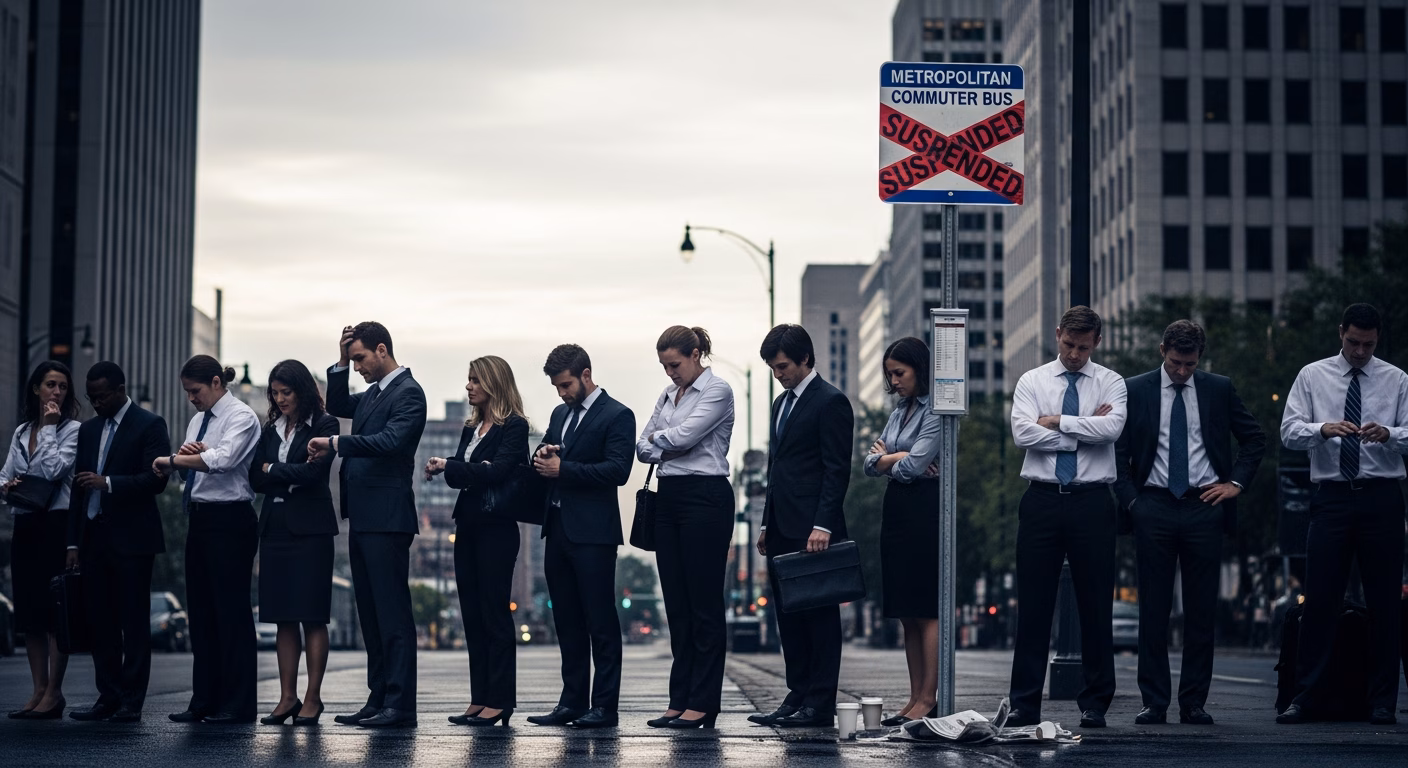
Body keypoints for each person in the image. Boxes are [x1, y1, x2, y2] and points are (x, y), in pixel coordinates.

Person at [1114, 320, 1265, 726]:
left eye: (1191, 364)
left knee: (1201, 611)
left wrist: (1235, 484)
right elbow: (1117, 450)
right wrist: (1132, 502)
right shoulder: (1134, 389)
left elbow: (1255, 439)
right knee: (1154, 610)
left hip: (1204, 506)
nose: (1183, 372)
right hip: (1153, 506)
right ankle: (1155, 703)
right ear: (1163, 350)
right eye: (1177, 362)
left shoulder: (1219, 388)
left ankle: (1194, 702)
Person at [1277, 303, 1408, 726]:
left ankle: (1383, 700)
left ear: (1377, 340)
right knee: (1320, 599)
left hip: (1381, 497)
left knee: (1386, 600)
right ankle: (1307, 696)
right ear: (1341, 333)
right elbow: (1289, 431)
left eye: (1368, 345)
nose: (1359, 351)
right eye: (1353, 342)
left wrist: (1390, 433)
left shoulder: (1397, 379)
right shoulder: (1312, 375)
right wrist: (1324, 429)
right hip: (1331, 496)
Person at [1005, 306, 1126, 729]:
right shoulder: (1032, 381)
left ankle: (1094, 703)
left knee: (1096, 604)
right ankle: (1024, 703)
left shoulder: (1111, 381)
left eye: (1084, 346)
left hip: (1093, 502)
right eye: (1069, 344)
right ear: (1058, 335)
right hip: (1041, 500)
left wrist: (1055, 422)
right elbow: (1023, 434)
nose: (1075, 354)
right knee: (1034, 606)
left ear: (1097, 342)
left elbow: (1112, 430)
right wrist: (1082, 429)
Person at [310, 322, 428, 729]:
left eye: (361, 358)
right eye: (353, 360)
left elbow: (391, 442)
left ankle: (400, 706)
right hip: (363, 516)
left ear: (382, 350)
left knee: (392, 615)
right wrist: (340, 359)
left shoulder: (409, 392)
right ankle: (378, 699)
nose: (358, 367)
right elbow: (338, 401)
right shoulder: (374, 394)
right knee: (372, 616)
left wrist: (337, 443)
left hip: (388, 517)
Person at [748, 324, 853, 729]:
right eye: (774, 369)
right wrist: (763, 522)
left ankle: (820, 703)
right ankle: (798, 694)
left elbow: (835, 469)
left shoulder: (831, 402)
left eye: (784, 366)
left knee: (819, 617)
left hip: (813, 530)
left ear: (806, 358)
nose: (779, 374)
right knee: (788, 615)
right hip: (779, 526)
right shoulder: (780, 404)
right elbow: (777, 469)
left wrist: (823, 524)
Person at [526, 344, 635, 729]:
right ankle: (572, 702)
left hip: (593, 534)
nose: (561, 393)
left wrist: (564, 468)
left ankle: (604, 707)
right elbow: (550, 457)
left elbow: (618, 471)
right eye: (556, 387)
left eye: (567, 384)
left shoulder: (618, 415)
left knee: (601, 622)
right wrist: (542, 456)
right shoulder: (560, 413)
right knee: (567, 622)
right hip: (556, 529)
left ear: (586, 375)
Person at [635, 326, 735, 729]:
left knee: (704, 603)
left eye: (674, 364)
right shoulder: (667, 394)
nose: (670, 373)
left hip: (706, 497)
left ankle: (704, 701)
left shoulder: (718, 390)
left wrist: (666, 440)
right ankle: (680, 698)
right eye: (664, 366)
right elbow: (644, 447)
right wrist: (667, 440)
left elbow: (686, 437)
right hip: (669, 496)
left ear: (696, 354)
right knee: (676, 603)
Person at [425, 355, 530, 728]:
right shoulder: (472, 428)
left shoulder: (513, 427)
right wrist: (461, 470)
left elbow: (500, 471)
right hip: (467, 525)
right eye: (468, 380)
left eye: (474, 380)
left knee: (494, 613)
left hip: (497, 528)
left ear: (493, 384)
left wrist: (455, 468)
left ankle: (500, 701)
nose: (468, 386)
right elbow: (460, 475)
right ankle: (480, 697)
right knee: (471, 614)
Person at [65, 362, 171, 723]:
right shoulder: (89, 430)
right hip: (93, 539)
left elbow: (155, 481)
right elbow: (78, 489)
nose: (96, 402)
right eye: (91, 396)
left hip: (133, 540)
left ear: (120, 388)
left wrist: (107, 483)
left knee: (134, 622)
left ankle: (131, 701)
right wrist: (72, 544)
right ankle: (107, 696)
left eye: (102, 395)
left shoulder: (150, 424)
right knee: (100, 621)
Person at [158, 356, 262, 725]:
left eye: (195, 391)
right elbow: (193, 472)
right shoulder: (197, 420)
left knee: (230, 612)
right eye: (187, 392)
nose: (191, 398)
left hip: (230, 519)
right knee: (201, 613)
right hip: (200, 518)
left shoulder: (242, 416)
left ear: (216, 382)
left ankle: (237, 704)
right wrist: (189, 460)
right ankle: (204, 700)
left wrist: (180, 458)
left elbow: (224, 459)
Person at [248, 360, 341, 726]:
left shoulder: (325, 425)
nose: (280, 399)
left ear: (302, 390)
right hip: (275, 528)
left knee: (312, 617)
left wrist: (274, 470)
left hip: (312, 531)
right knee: (282, 618)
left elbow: (315, 474)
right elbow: (255, 476)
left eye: (286, 392)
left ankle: (312, 699)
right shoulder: (270, 427)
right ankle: (287, 697)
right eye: (275, 392)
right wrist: (278, 473)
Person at [862, 338, 943, 727]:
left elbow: (911, 468)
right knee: (905, 612)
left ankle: (930, 697)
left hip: (926, 508)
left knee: (926, 608)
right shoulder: (899, 412)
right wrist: (895, 459)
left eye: (900, 373)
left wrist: (887, 458)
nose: (893, 381)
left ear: (919, 370)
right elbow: (867, 461)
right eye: (889, 375)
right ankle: (914, 698)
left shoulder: (936, 410)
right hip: (896, 509)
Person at [2, 362, 81, 720]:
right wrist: (8, 487)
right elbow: (5, 476)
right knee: (30, 614)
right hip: (26, 524)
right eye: (50, 385)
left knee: (54, 613)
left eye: (63, 387)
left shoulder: (72, 430)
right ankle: (37, 689)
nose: (57, 393)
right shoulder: (21, 431)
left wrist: (49, 428)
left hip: (55, 524)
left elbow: (54, 470)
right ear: (36, 389)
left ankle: (54, 692)